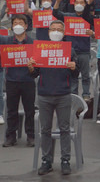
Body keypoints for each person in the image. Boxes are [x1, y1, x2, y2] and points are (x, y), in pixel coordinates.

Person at [31, 20, 79, 176]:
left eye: (59, 29)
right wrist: (31, 67)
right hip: (44, 95)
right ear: (48, 32)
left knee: (65, 129)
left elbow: (75, 74)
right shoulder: (41, 49)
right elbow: (34, 73)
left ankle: (65, 160)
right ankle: (46, 161)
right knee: (45, 130)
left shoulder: (69, 49)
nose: (56, 32)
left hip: (63, 94)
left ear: (64, 33)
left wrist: (74, 67)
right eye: (53, 29)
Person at [0, 13, 36, 148]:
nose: (18, 26)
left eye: (21, 23)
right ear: (11, 26)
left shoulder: (33, 43)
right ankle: (11, 136)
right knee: (11, 110)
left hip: (28, 81)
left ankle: (31, 136)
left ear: (26, 26)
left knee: (30, 110)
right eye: (15, 23)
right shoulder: (7, 41)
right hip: (11, 80)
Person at [53, 0, 96, 100]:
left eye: (82, 2)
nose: (79, 5)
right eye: (77, 2)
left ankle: (86, 95)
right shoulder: (68, 16)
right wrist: (57, 2)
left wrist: (92, 33)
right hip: (71, 51)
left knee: (86, 75)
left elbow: (98, 33)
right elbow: (56, 13)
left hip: (84, 51)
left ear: (85, 5)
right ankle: (74, 96)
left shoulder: (88, 18)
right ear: (74, 4)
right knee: (73, 76)